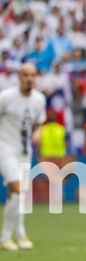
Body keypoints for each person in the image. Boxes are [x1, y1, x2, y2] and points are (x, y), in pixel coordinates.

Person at [0, 63, 46, 251]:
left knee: (19, 194)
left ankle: (19, 233)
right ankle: (4, 237)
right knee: (17, 188)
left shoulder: (39, 99)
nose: (29, 79)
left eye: (33, 75)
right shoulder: (7, 97)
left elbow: (39, 121)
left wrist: (39, 132)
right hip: (5, 148)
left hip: (24, 151)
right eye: (26, 75)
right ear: (19, 77)